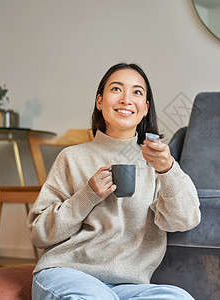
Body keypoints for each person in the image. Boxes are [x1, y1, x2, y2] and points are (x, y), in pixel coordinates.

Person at [27, 63, 201, 299]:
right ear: (100, 101)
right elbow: (39, 234)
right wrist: (87, 195)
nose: (126, 99)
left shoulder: (158, 162)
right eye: (116, 89)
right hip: (70, 273)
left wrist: (168, 169)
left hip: (130, 286)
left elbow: (185, 220)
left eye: (137, 92)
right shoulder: (71, 157)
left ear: (145, 108)